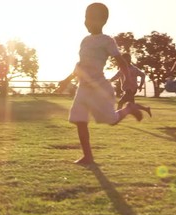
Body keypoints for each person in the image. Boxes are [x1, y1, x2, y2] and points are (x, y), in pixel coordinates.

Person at [57, 3, 151, 165]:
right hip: (83, 88)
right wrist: (66, 80)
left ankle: (129, 108)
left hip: (99, 87)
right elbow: (80, 65)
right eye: (85, 18)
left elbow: (121, 61)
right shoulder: (84, 41)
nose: (86, 21)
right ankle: (88, 156)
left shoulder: (107, 41)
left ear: (102, 21)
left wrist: (128, 78)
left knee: (112, 120)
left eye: (90, 18)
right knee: (79, 120)